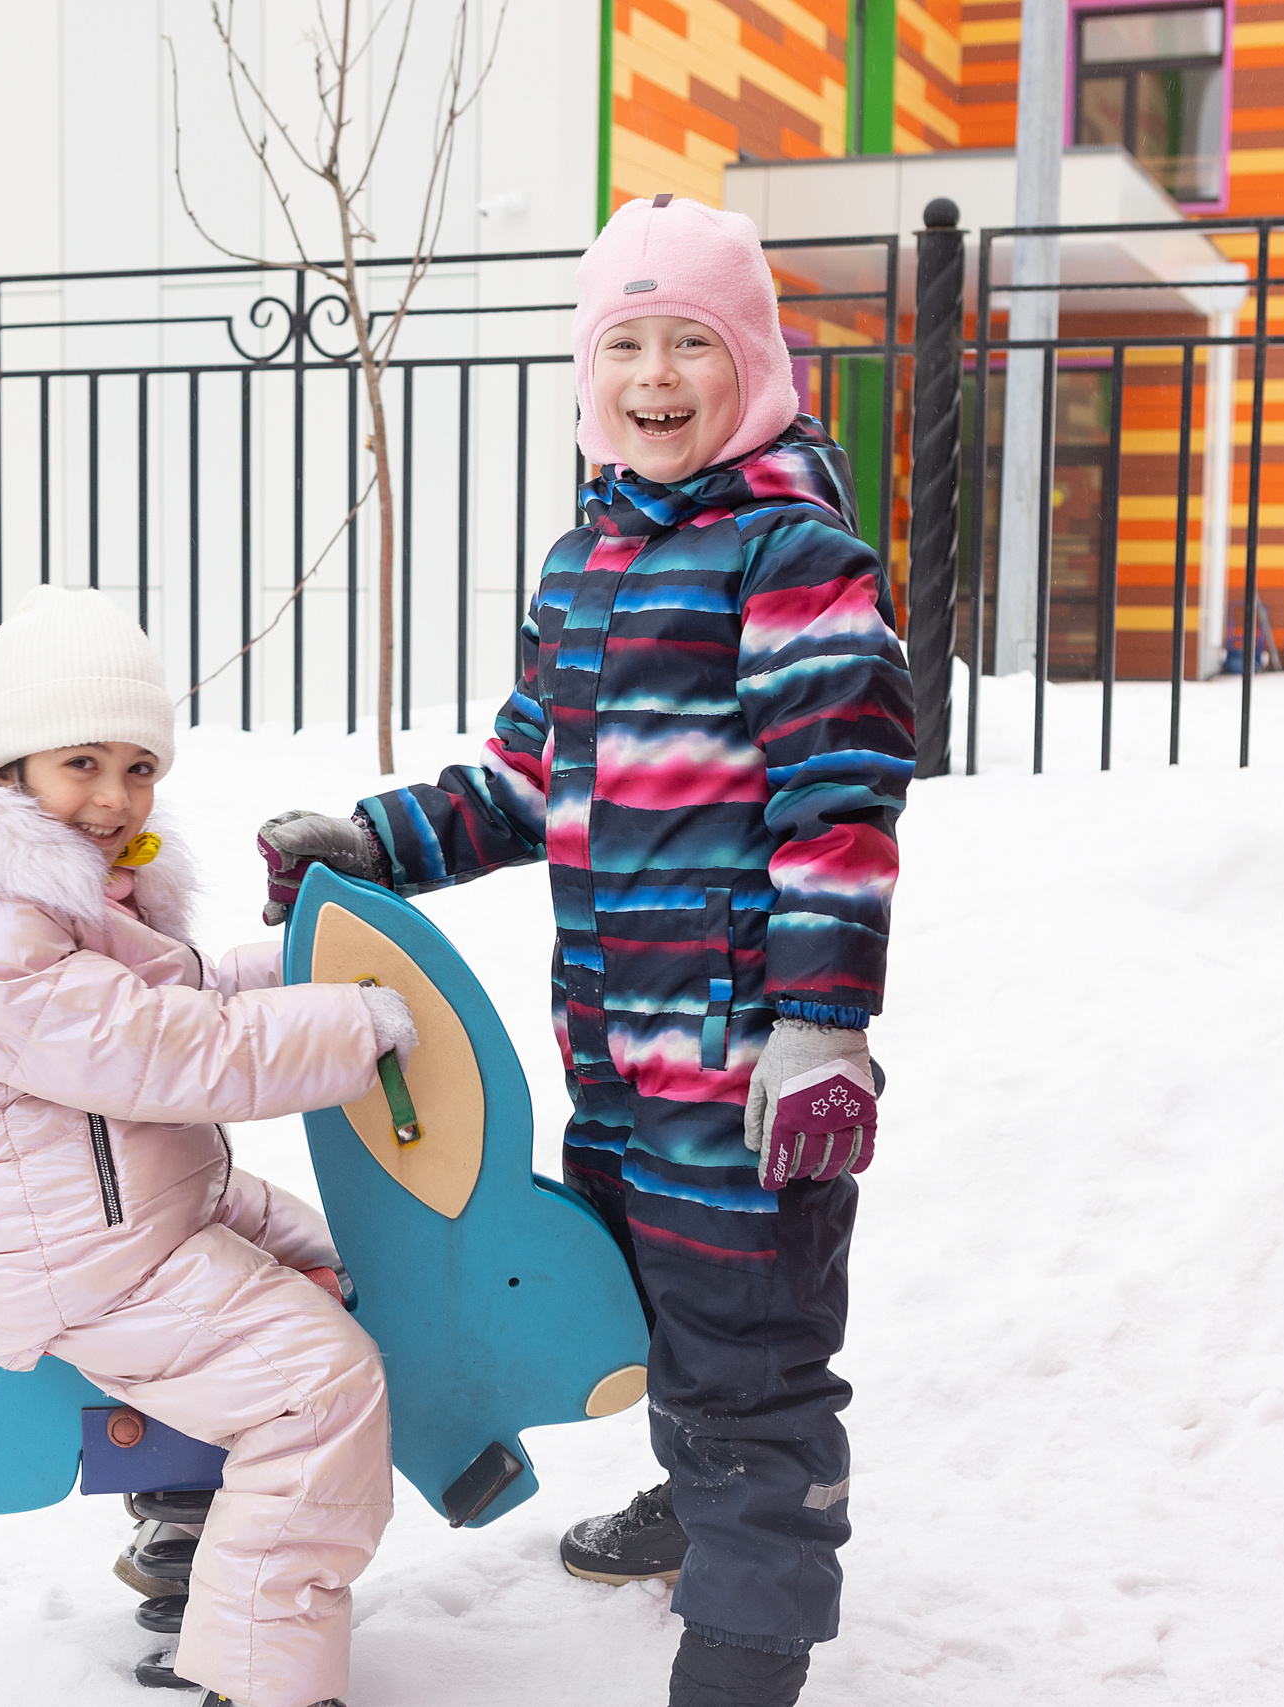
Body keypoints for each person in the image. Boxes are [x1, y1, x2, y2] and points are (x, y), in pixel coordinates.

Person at [254, 194, 914, 1707]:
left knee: (751, 1347)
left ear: (753, 366)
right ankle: (698, 1505)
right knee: (655, 1306)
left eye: (694, 341)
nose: (657, 373)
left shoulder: (790, 556)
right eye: (627, 343)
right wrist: (380, 840)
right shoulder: (589, 559)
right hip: (614, 1058)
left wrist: (821, 1025)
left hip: (752, 1074)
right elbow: (522, 773)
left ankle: (747, 1646)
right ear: (587, 373)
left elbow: (840, 805)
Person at [0, 584, 412, 1707]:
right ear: (11, 767)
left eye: (139, 766)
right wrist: (349, 1031)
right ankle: (263, 1681)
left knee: (360, 1272)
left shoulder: (51, 886)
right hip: (73, 1263)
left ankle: (195, 1538)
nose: (115, 799)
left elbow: (185, 991)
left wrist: (316, 963)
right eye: (81, 765)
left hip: (146, 1212)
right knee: (320, 1388)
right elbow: (160, 1050)